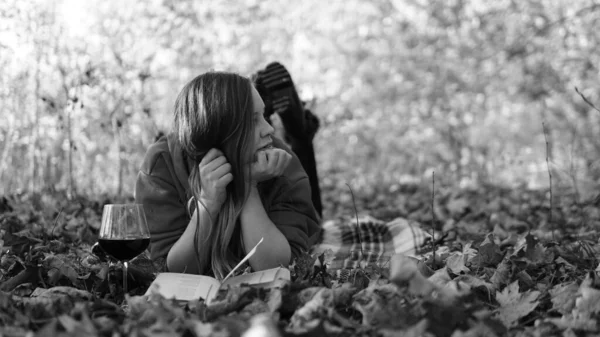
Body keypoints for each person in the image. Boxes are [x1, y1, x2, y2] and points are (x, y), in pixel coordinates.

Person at [134, 70, 322, 279]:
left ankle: (300, 135)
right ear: (216, 129)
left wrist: (247, 187)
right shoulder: (162, 164)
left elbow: (276, 267)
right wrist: (208, 203)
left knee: (318, 220)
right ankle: (299, 133)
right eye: (253, 120)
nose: (269, 129)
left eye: (264, 117)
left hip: (300, 221)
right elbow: (175, 271)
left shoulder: (279, 158)